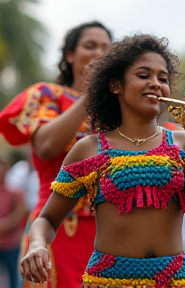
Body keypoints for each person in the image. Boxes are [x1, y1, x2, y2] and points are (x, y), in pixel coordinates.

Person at [19, 33, 185, 288]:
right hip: (108, 282)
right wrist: (37, 243)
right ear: (115, 86)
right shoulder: (89, 149)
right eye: (143, 75)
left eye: (163, 78)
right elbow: (47, 219)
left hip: (177, 281)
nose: (156, 84)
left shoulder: (184, 143)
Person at [0, 21, 112, 288]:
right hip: (56, 229)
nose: (98, 53)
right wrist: (91, 95)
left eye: (106, 49)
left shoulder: (118, 109)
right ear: (70, 55)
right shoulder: (47, 95)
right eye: (90, 46)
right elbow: (46, 146)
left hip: (112, 233)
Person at [0, 156, 27, 288]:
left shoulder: (15, 192)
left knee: (13, 279)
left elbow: (19, 214)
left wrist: (4, 226)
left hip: (11, 244)